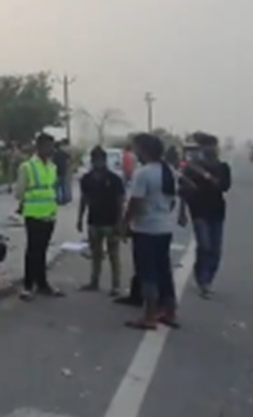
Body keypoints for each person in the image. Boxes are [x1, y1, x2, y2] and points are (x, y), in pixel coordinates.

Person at [121, 133, 186, 330]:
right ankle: (169, 311)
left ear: (145, 150)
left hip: (146, 229)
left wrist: (124, 224)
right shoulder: (169, 171)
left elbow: (136, 203)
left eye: (136, 148)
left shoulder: (144, 173)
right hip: (164, 227)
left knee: (147, 273)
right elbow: (175, 198)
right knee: (163, 271)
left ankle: (149, 316)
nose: (135, 152)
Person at [180, 132, 232, 298]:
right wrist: (182, 211)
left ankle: (207, 278)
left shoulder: (222, 167)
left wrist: (206, 175)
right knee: (205, 245)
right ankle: (202, 280)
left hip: (216, 211)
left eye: (213, 146)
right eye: (207, 146)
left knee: (215, 250)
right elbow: (183, 190)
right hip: (198, 210)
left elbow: (223, 186)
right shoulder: (190, 168)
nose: (211, 149)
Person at [15, 133, 65, 300]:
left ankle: (42, 283)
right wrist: (25, 203)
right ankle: (28, 286)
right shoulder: (27, 166)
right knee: (33, 251)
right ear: (39, 147)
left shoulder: (52, 166)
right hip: (33, 214)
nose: (51, 150)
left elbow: (52, 187)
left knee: (42, 250)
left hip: (49, 213)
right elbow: (19, 192)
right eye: (48, 146)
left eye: (52, 146)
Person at [78, 146, 126, 296]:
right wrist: (80, 218)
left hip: (111, 221)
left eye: (99, 159)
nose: (97, 162)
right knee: (96, 254)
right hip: (94, 221)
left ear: (104, 161)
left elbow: (120, 201)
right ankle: (94, 281)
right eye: (95, 159)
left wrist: (120, 222)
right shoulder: (86, 179)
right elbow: (84, 199)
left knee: (113, 255)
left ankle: (116, 285)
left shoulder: (115, 179)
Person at [53, 139, 73, 205]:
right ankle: (65, 199)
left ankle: (58, 199)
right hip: (63, 170)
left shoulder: (54, 154)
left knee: (57, 187)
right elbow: (69, 158)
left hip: (56, 171)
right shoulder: (62, 152)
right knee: (63, 186)